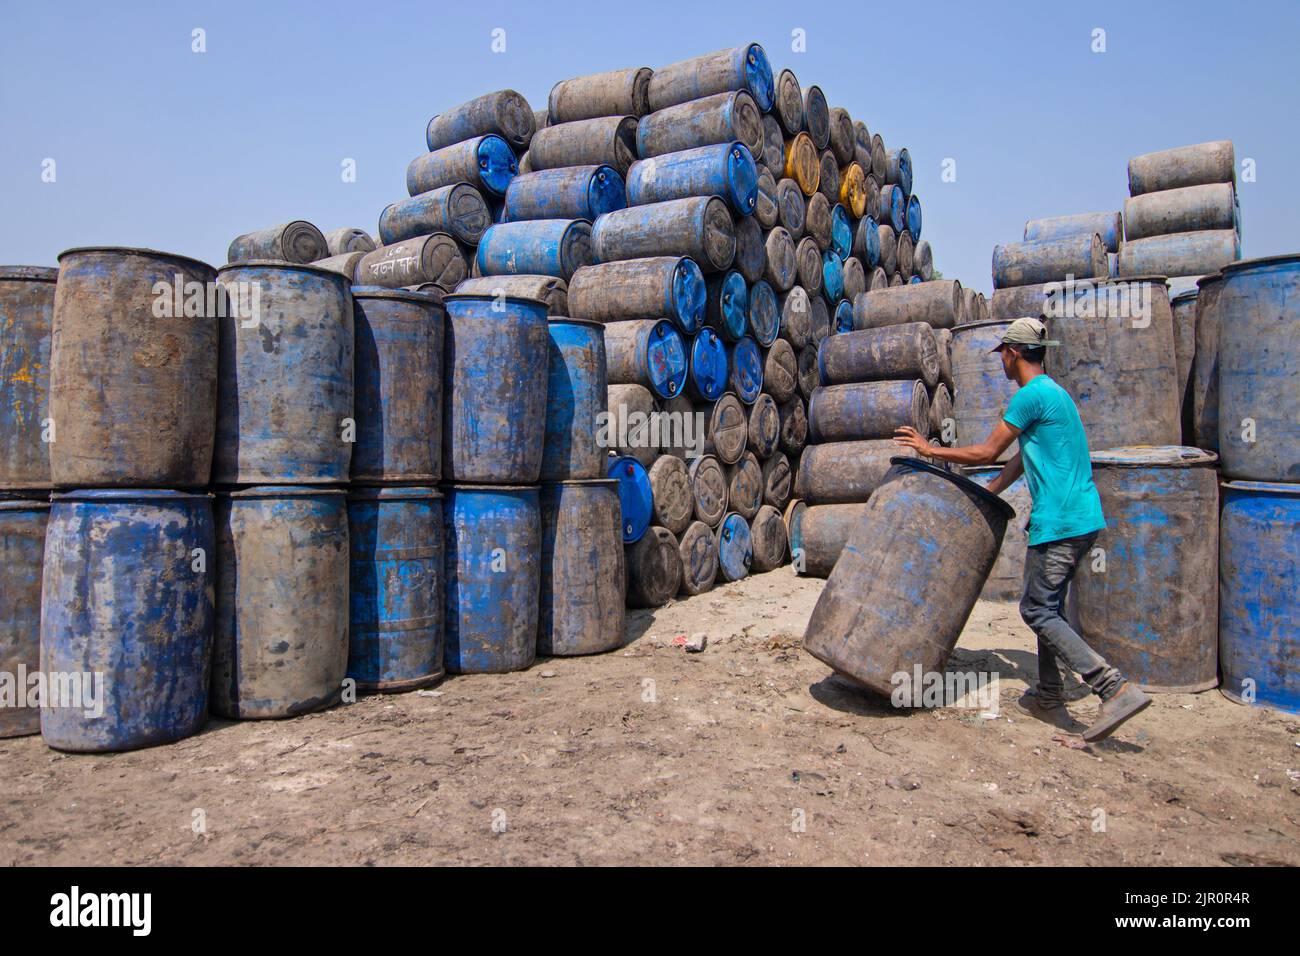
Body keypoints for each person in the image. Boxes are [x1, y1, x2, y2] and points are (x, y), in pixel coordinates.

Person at [894, 316, 1151, 743]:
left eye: (1003, 357)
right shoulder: (1055, 394)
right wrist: (990, 492)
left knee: (1036, 610)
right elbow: (1017, 458)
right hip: (1079, 518)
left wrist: (930, 450)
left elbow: (987, 450)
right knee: (1050, 608)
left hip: (1061, 522)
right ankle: (1049, 693)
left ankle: (1113, 687)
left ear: (1013, 353)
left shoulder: (1030, 396)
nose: (1002, 365)